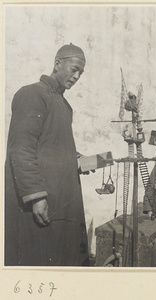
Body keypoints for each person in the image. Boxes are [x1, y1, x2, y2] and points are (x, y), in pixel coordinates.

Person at [5, 43, 92, 266]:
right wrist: (36, 196)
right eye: (74, 69)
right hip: (39, 201)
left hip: (61, 201)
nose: (77, 76)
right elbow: (21, 148)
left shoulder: (63, 104)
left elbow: (52, 146)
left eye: (81, 72)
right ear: (57, 64)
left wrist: (79, 159)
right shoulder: (32, 94)